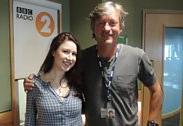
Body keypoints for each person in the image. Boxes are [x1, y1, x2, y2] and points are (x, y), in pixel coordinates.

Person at [23, 1, 163, 126]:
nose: (106, 28)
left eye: (112, 23)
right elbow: (58, 75)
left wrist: (152, 122)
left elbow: (156, 90)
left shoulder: (137, 56)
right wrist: (33, 81)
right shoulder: (82, 58)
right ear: (94, 28)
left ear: (121, 28)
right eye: (100, 23)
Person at [24, 32, 84, 126]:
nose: (70, 58)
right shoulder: (34, 85)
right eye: (65, 51)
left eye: (74, 54)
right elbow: (29, 122)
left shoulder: (77, 82)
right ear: (53, 52)